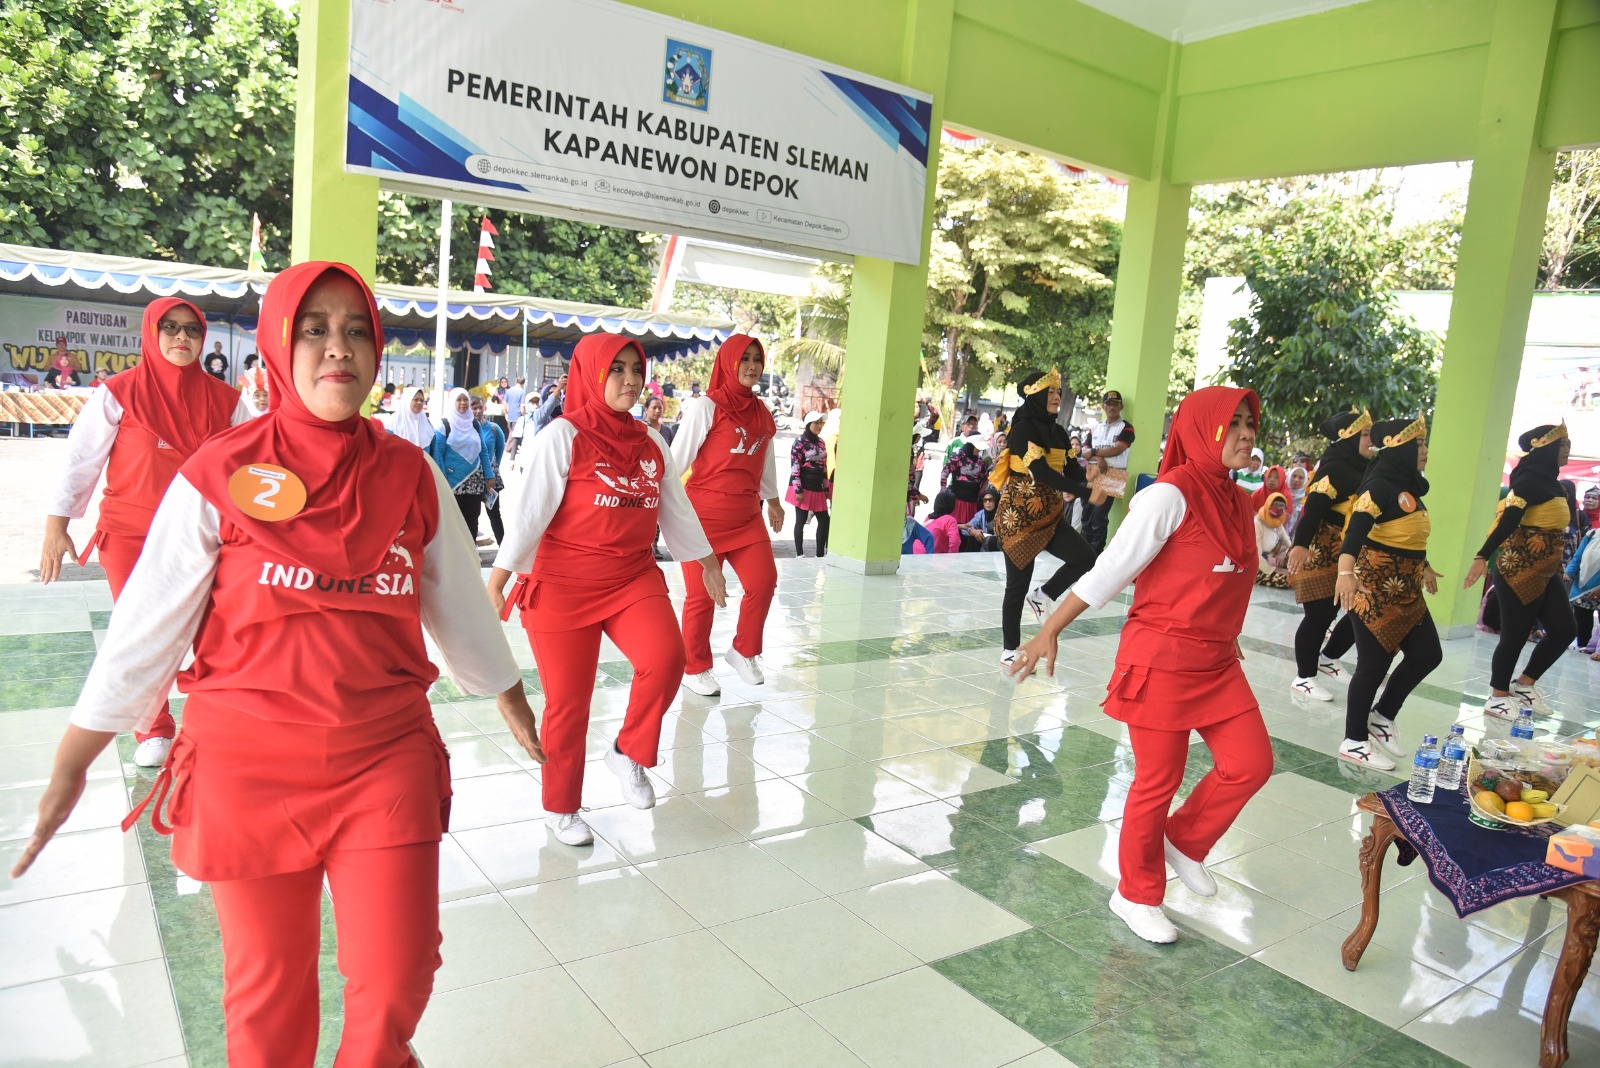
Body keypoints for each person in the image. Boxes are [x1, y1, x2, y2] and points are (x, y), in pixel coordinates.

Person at [12, 260, 542, 1066]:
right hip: (246, 764)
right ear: (277, 351)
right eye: (315, 330)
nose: (340, 349)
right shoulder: (218, 473)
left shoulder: (411, 474)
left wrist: (509, 696)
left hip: (383, 756)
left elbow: (461, 607)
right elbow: (143, 631)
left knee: (397, 977)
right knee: (267, 997)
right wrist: (72, 762)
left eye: (358, 329)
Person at [1008, 386, 1274, 944]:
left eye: (1251, 423)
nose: (1247, 434)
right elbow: (1109, 571)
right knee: (1158, 780)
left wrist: (1226, 633)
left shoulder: (1235, 496)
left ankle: (1184, 842)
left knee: (1250, 763)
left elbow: (1222, 576)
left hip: (1216, 659)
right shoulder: (1168, 496)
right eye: (1235, 424)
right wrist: (1047, 630)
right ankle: (1135, 892)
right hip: (1162, 657)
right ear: (1204, 430)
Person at [488, 335, 724, 846]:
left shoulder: (652, 442)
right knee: (569, 704)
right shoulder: (562, 436)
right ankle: (562, 806)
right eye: (615, 369)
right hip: (562, 585)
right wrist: (497, 582)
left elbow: (677, 513)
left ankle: (628, 751)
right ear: (591, 374)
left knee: (667, 659)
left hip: (630, 577)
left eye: (635, 369)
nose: (629, 380)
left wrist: (709, 565)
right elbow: (526, 518)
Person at [40, 297, 249, 767]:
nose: (181, 338)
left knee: (215, 630)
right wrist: (57, 526)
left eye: (192, 330)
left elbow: (252, 468)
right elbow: (80, 461)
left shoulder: (228, 401)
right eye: (171, 328)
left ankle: (215, 721)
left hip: (206, 538)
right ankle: (153, 729)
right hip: (130, 535)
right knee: (141, 632)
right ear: (151, 333)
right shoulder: (119, 392)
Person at [672, 335, 783, 696]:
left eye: (757, 359)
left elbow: (764, 459)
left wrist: (774, 500)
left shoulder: (763, 413)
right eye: (744, 359)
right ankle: (696, 667)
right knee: (701, 598)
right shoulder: (707, 407)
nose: (752, 366)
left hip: (746, 517)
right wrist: (659, 510)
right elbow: (675, 463)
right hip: (702, 519)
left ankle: (743, 650)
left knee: (764, 582)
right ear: (729, 363)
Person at [1334, 414, 1444, 771]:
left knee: (1427, 654)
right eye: (1420, 445)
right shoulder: (1379, 486)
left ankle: (1382, 717)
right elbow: (1355, 533)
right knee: (1372, 665)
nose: (1425, 451)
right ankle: (1354, 741)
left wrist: (1423, 565)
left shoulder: (1408, 486)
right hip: (1374, 589)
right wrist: (1345, 572)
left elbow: (1406, 535)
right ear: (1400, 447)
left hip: (1407, 591)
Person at [1462, 423, 1577, 720]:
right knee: (1514, 634)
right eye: (1564, 445)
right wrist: (1481, 557)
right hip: (1519, 569)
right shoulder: (1530, 480)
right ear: (1550, 447)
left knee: (1565, 630)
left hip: (1545, 569)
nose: (1568, 450)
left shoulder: (1551, 482)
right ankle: (1498, 696)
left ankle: (1525, 684)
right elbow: (1508, 521)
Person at [990, 369, 1097, 668]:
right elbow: (1042, 472)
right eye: (1049, 392)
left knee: (1085, 557)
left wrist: (1100, 482)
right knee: (1016, 586)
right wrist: (1084, 493)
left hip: (1050, 515)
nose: (1056, 397)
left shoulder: (1060, 433)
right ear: (1035, 395)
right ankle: (1009, 649)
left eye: (1058, 392)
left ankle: (1045, 594)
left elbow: (1073, 471)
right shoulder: (1023, 429)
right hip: (1020, 517)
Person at [1285, 409, 1372, 702]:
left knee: (1358, 606)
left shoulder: (1366, 469)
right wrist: (1300, 545)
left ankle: (1329, 657)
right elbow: (1313, 511)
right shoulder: (1332, 468)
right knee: (1318, 615)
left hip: (1350, 553)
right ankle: (1304, 677)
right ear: (1346, 438)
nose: (1371, 440)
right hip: (1321, 551)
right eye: (1364, 434)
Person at [427, 388, 499, 539]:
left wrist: (489, 474)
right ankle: (455, 559)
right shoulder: (443, 426)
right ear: (452, 402)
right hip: (453, 484)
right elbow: (438, 455)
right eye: (459, 400)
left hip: (475, 482)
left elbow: (483, 450)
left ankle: (471, 556)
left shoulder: (474, 424)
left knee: (472, 521)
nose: (463, 403)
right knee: (453, 523)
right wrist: (443, 482)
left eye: (465, 399)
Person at [1081, 389, 1135, 554]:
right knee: (1087, 515)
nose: (1112, 407)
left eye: (1115, 404)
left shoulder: (1126, 427)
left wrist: (1095, 453)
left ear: (1121, 406)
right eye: (1108, 404)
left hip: (1113, 473)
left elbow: (1118, 449)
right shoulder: (1095, 428)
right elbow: (1084, 451)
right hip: (1092, 470)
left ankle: (1096, 554)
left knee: (1099, 516)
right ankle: (1083, 552)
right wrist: (1099, 458)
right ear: (1103, 407)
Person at [787, 409, 831, 557]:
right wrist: (798, 489)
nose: (819, 426)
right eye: (816, 423)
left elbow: (824, 466)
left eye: (821, 423)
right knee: (800, 520)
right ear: (808, 424)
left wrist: (825, 487)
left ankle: (820, 553)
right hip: (803, 485)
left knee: (824, 520)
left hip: (817, 485)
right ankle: (800, 553)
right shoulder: (800, 442)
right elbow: (795, 466)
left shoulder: (821, 442)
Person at [469, 393, 507, 545]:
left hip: (491, 480)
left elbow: (499, 452)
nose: (478, 411)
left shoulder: (493, 428)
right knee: (473, 515)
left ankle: (503, 548)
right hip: (472, 479)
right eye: (474, 408)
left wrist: (490, 472)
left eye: (480, 407)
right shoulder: (466, 428)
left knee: (494, 514)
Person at [941, 438, 989, 524]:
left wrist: (982, 491)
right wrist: (943, 490)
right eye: (977, 448)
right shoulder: (959, 456)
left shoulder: (979, 460)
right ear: (971, 446)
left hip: (972, 500)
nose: (979, 450)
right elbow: (944, 473)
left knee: (969, 528)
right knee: (956, 525)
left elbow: (985, 477)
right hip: (958, 499)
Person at [1253, 492, 1293, 587]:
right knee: (1287, 580)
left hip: (1274, 561)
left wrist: (1283, 554)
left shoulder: (1277, 523)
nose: (1279, 509)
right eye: (1276, 505)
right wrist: (1277, 570)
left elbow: (1289, 544)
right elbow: (1256, 557)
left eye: (1282, 506)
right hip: (1258, 568)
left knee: (1297, 564)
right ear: (1268, 504)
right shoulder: (1257, 523)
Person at [960, 486, 1001, 551]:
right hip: (985, 549)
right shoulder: (981, 514)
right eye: (985, 500)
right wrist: (973, 532)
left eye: (990, 500)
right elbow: (965, 529)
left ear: (996, 501)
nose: (987, 503)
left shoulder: (1002, 514)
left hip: (1001, 548)